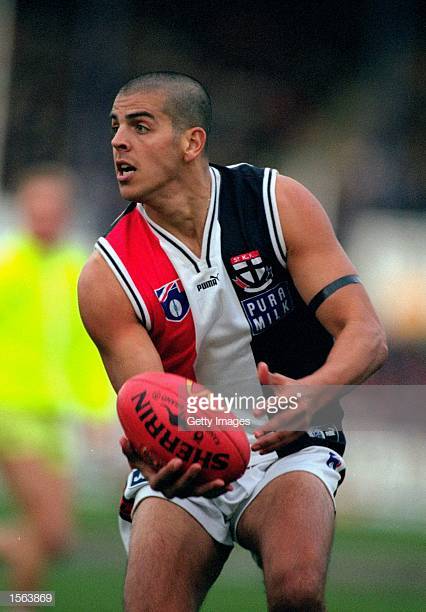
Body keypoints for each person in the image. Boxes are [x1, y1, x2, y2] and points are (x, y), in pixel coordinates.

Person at [78, 72, 388, 612]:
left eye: (139, 125)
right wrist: (154, 455)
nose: (117, 141)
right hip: (190, 456)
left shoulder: (275, 202)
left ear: (191, 142)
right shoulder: (108, 276)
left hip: (289, 442)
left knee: (297, 591)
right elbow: (145, 399)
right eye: (114, 127)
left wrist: (308, 400)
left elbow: (366, 334)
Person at [0, 164, 113, 592]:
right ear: (23, 209)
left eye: (54, 206)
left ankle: (24, 602)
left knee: (55, 539)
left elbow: (85, 348)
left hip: (56, 415)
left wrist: (95, 409)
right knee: (48, 530)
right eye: (37, 205)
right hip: (11, 409)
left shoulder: (77, 269)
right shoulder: (7, 266)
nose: (45, 214)